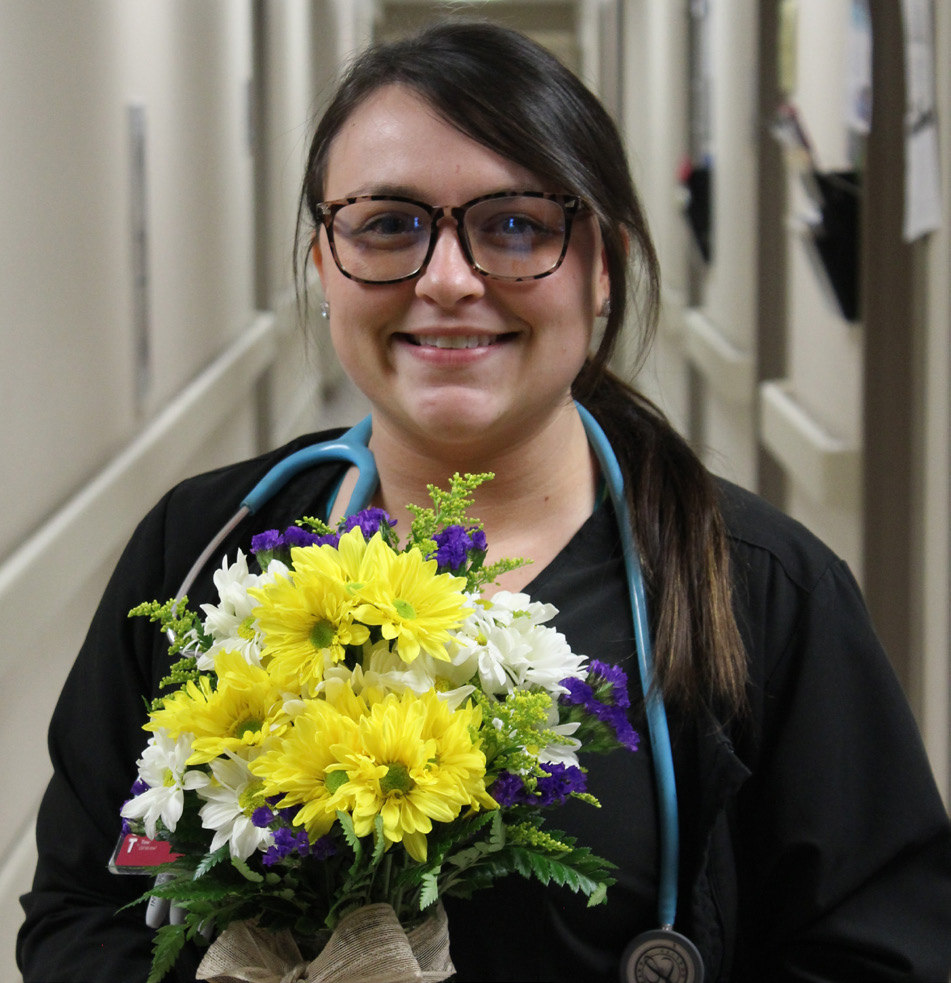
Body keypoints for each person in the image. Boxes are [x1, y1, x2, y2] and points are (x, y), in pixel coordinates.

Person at [17, 20, 951, 983]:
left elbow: (879, 953)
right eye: (388, 224)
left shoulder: (759, 590)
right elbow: (82, 912)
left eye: (516, 225)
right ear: (322, 265)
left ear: (603, 268)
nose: (449, 279)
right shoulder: (203, 548)